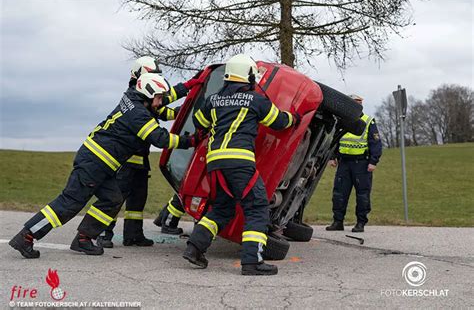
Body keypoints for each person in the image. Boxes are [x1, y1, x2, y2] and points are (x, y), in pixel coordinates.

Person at [9, 72, 198, 259]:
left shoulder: (133, 97)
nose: (160, 102)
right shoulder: (138, 114)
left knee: (113, 199)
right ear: (148, 94)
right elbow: (160, 138)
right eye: (158, 97)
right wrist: (191, 141)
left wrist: (188, 86)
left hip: (102, 165)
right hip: (94, 163)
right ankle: (26, 236)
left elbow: (161, 103)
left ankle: (84, 239)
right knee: (69, 203)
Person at [182, 54, 300, 276]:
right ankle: (252, 262)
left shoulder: (213, 101)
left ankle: (194, 248)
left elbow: (199, 123)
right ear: (249, 76)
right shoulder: (256, 100)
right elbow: (279, 122)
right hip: (240, 162)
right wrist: (295, 118)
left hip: (215, 163)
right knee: (256, 207)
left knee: (222, 208)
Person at [97, 56, 202, 248]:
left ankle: (133, 235)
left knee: (137, 200)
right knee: (114, 199)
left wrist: (186, 105)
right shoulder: (135, 98)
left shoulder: (146, 99)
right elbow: (162, 126)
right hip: (124, 160)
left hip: (139, 160)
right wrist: (190, 140)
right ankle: (103, 233)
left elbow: (164, 109)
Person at [326, 94, 382, 233]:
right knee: (339, 194)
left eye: (357, 102)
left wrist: (373, 161)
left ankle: (360, 223)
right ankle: (338, 222)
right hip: (344, 163)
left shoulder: (368, 121)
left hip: (362, 164)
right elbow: (335, 139)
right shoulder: (342, 120)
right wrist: (332, 157)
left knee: (362, 195)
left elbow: (375, 143)